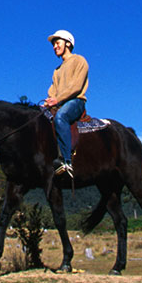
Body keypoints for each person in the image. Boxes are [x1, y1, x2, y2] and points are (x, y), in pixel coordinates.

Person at [44, 29, 88, 177]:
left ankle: (66, 160)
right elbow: (53, 90)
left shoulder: (79, 61)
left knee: (61, 117)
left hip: (75, 101)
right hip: (60, 103)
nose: (54, 47)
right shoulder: (57, 71)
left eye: (57, 43)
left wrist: (58, 99)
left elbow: (76, 87)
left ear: (68, 43)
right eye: (53, 45)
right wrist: (50, 100)